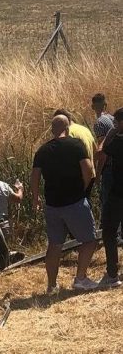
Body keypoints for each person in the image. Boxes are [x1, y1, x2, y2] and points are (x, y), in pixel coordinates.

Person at [31, 115, 97, 293]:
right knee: (89, 241)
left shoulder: (43, 151)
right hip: (74, 201)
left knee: (55, 244)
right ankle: (80, 278)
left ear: (52, 130)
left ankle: (52, 285)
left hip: (52, 205)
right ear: (68, 128)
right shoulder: (76, 145)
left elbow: (35, 176)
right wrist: (82, 189)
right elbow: (88, 170)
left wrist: (36, 198)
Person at [98, 108, 123, 288]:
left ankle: (112, 274)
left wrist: (111, 133)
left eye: (116, 122)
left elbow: (103, 151)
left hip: (118, 194)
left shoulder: (118, 141)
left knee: (109, 231)